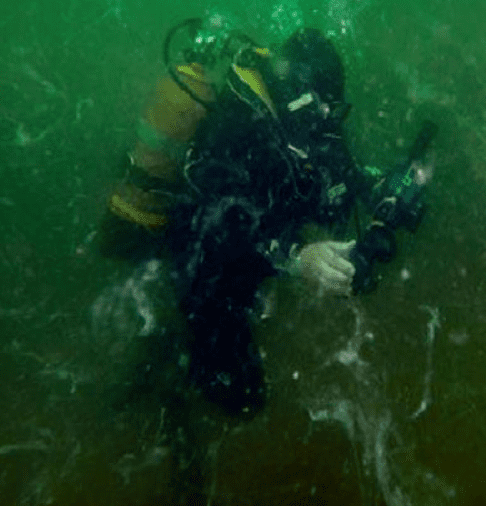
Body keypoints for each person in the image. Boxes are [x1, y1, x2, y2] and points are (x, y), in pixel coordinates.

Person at [97, 21, 405, 415]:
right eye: (321, 105)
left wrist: (381, 188)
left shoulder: (305, 115)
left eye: (334, 106)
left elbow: (335, 172)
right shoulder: (236, 124)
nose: (329, 116)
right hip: (203, 254)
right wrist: (297, 257)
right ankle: (165, 383)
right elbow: (220, 221)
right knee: (242, 399)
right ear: (296, 91)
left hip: (257, 236)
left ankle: (172, 359)